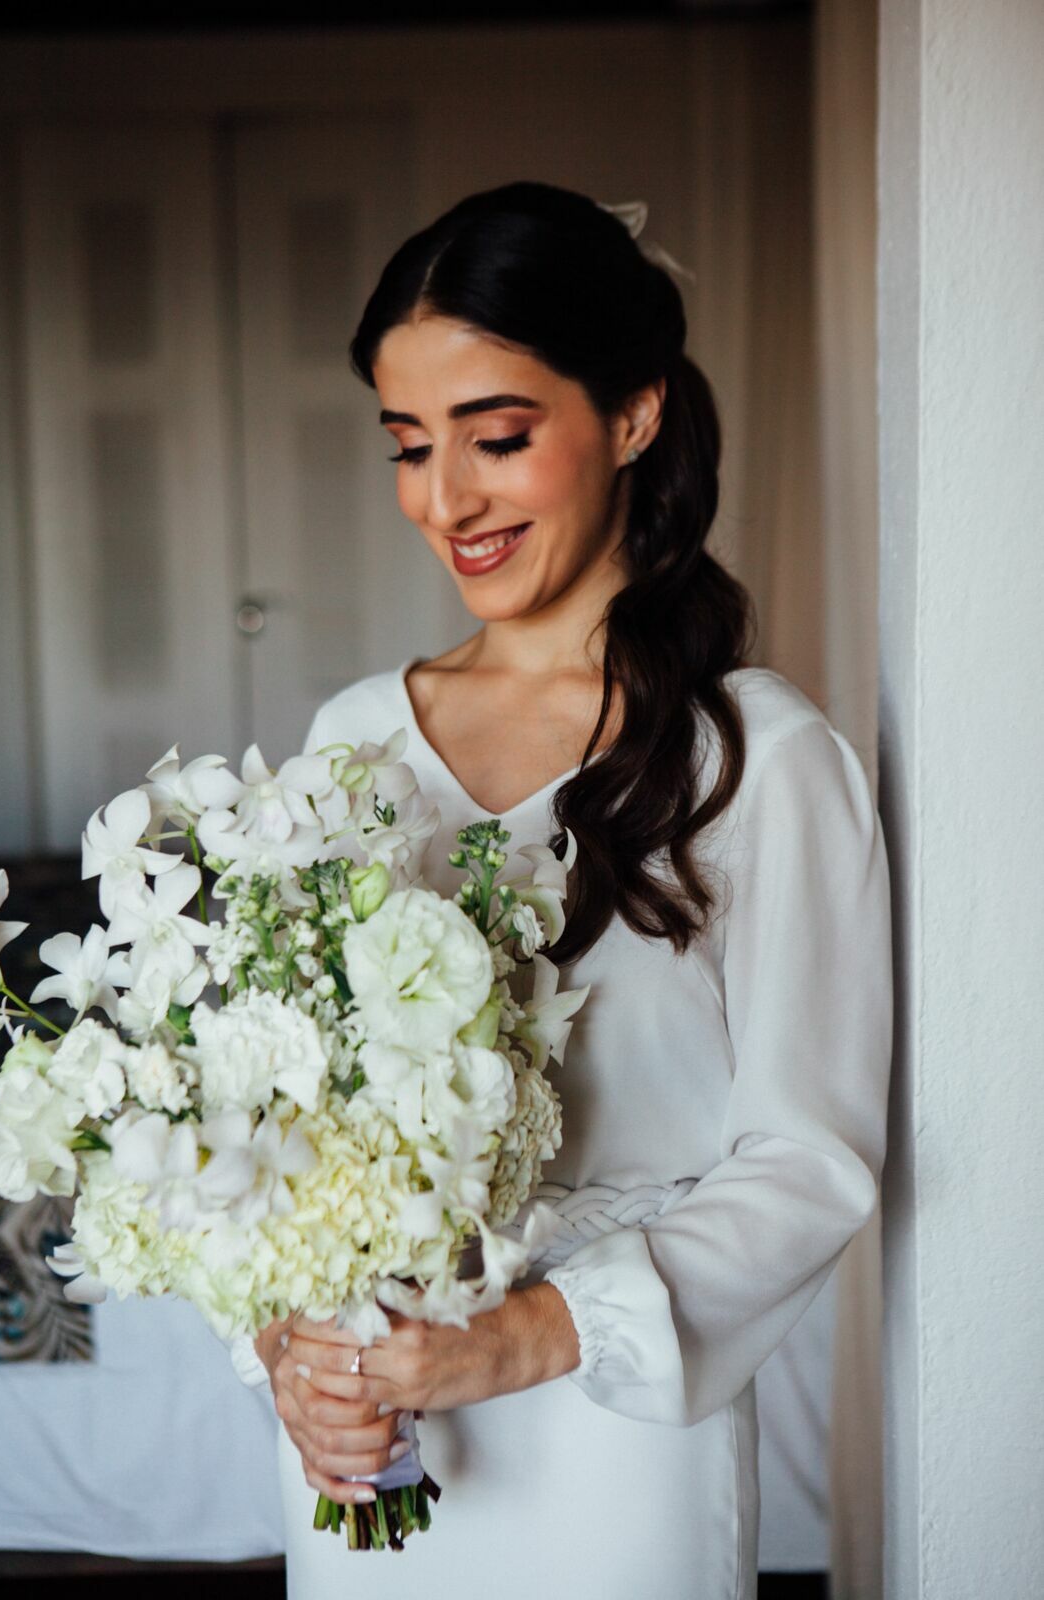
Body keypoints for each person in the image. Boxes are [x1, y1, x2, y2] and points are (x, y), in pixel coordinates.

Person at [233, 181, 893, 1599]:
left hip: (613, 1436)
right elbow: (280, 1118)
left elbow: (810, 1162)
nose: (444, 499)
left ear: (634, 417)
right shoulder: (354, 744)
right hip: (373, 1431)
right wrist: (293, 1354)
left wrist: (515, 1338)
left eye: (499, 437)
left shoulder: (761, 758)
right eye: (410, 447)